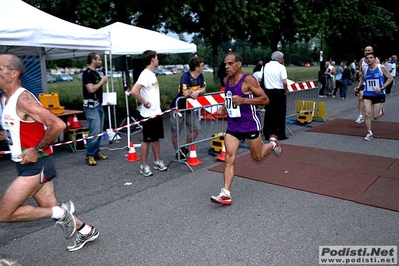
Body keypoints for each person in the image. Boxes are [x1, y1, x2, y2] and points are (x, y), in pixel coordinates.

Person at [0, 54, 99, 252]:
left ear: (14, 73)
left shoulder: (24, 99)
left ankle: (60, 212)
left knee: (4, 214)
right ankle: (86, 231)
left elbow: (58, 124)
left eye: (0, 68)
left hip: (38, 164)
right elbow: (13, 132)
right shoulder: (5, 98)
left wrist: (37, 149)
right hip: (25, 163)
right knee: (49, 204)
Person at [210, 52, 282, 205]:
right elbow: (229, 99)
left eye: (230, 63)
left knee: (257, 157)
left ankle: (272, 144)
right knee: (229, 157)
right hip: (234, 125)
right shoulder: (226, 80)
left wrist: (243, 100)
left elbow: (265, 99)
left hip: (250, 123)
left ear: (239, 64)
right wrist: (224, 107)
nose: (227, 66)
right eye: (225, 64)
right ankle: (226, 193)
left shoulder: (248, 79)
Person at [128, 50, 168, 176]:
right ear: (152, 59)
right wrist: (145, 102)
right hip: (148, 114)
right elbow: (134, 91)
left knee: (156, 139)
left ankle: (157, 161)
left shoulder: (151, 74)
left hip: (156, 112)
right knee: (147, 140)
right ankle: (143, 165)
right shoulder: (145, 74)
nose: (158, 60)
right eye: (157, 57)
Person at [169, 56, 206, 160]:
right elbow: (184, 92)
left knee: (196, 129)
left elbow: (203, 88)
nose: (204, 67)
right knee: (176, 131)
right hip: (178, 107)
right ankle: (177, 151)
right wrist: (191, 92)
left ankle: (185, 148)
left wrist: (198, 91)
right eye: (202, 66)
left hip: (189, 108)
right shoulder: (185, 76)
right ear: (196, 68)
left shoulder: (200, 76)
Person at [355, 52, 392, 141]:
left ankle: (381, 111)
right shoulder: (365, 69)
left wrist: (382, 87)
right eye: (367, 58)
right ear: (365, 60)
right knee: (367, 114)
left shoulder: (381, 67)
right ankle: (369, 132)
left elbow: (390, 78)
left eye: (371, 57)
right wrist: (358, 86)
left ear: (375, 59)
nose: (369, 59)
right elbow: (362, 79)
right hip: (368, 94)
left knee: (375, 116)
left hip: (379, 94)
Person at [82, 52, 109, 166]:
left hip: (98, 104)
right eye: (99, 59)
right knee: (94, 131)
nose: (101, 61)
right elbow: (91, 89)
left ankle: (96, 152)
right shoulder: (87, 74)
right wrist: (102, 81)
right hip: (91, 106)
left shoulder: (95, 73)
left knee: (99, 131)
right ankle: (90, 155)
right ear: (93, 60)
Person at [261, 51, 289, 140]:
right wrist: (285, 90)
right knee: (280, 113)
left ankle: (267, 132)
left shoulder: (266, 66)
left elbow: (260, 79)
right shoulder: (281, 67)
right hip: (279, 92)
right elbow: (284, 81)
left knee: (269, 113)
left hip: (268, 92)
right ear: (280, 59)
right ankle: (280, 134)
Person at [354, 46, 380, 124]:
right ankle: (360, 116)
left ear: (372, 51)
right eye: (365, 50)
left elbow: (379, 72)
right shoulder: (362, 60)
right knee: (361, 96)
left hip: (374, 83)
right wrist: (360, 75)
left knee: (375, 113)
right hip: (365, 82)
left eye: (369, 50)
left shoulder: (376, 60)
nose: (367, 51)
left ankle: (379, 108)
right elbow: (361, 70)